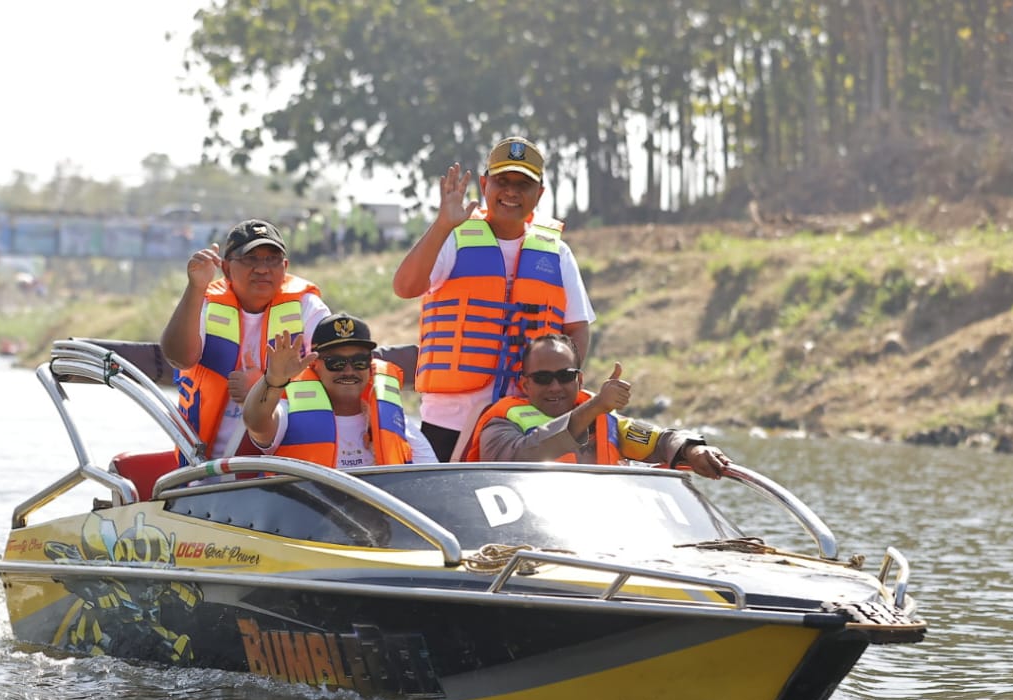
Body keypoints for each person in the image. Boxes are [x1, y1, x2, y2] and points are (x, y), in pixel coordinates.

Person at [391, 136, 596, 461]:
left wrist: (557, 387)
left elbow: (577, 329)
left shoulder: (557, 252)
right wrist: (442, 225)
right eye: (502, 181)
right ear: (485, 184)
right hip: (449, 420)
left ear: (539, 193)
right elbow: (405, 287)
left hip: (524, 421)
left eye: (523, 184)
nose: (511, 192)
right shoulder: (452, 237)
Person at [160, 218, 330, 459]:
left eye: (272, 259)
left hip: (287, 462)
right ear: (227, 268)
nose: (262, 269)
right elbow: (179, 357)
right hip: (206, 465)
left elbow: (334, 373)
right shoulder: (205, 302)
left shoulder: (308, 307)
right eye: (250, 259)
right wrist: (195, 288)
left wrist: (263, 388)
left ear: (285, 266)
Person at [462, 333, 731, 476]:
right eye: (542, 378)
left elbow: (661, 441)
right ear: (525, 385)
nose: (554, 386)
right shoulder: (499, 427)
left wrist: (693, 448)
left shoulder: (608, 424)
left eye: (565, 376)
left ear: (579, 380)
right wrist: (595, 406)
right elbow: (521, 457)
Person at [242, 312, 438, 468]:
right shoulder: (287, 414)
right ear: (315, 365)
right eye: (335, 362)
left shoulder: (396, 421)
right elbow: (255, 422)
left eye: (359, 361)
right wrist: (273, 380)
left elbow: (431, 479)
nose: (349, 371)